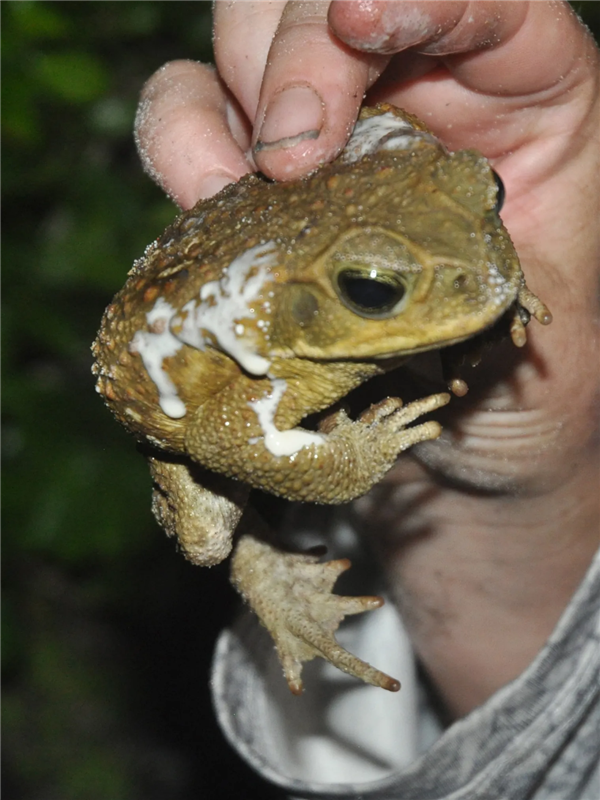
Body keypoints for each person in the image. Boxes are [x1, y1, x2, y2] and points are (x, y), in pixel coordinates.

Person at [134, 1, 599, 797]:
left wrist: (473, 253)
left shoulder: (419, 194)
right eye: (377, 287)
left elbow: (441, 217)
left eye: (486, 196)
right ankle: (258, 556)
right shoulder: (262, 352)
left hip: (325, 261)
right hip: (201, 394)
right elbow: (218, 433)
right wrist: (347, 464)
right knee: (209, 533)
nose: (485, 266)